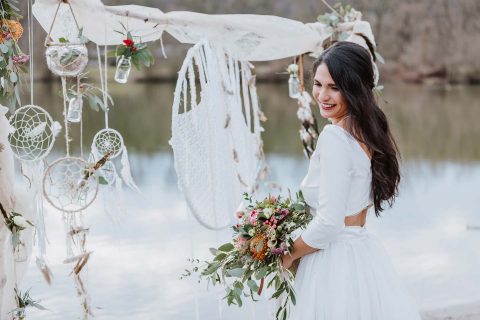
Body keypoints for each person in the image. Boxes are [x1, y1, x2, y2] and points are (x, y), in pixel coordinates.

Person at [282, 42, 422, 320]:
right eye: (318, 84)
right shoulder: (365, 131)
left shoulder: (335, 138)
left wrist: (287, 255)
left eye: (334, 87)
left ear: (355, 88)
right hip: (360, 253)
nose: (322, 95)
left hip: (332, 261)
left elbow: (329, 223)